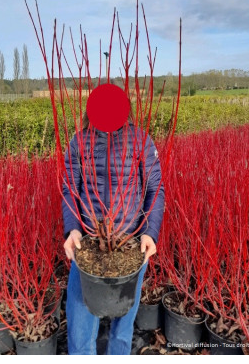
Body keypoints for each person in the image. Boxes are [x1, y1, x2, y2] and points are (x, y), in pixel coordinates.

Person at [62, 105, 165, 355]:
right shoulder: (79, 141)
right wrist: (72, 229)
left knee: (124, 320)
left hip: (130, 241)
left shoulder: (140, 139)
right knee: (80, 314)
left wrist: (150, 232)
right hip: (89, 241)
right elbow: (69, 189)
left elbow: (155, 189)